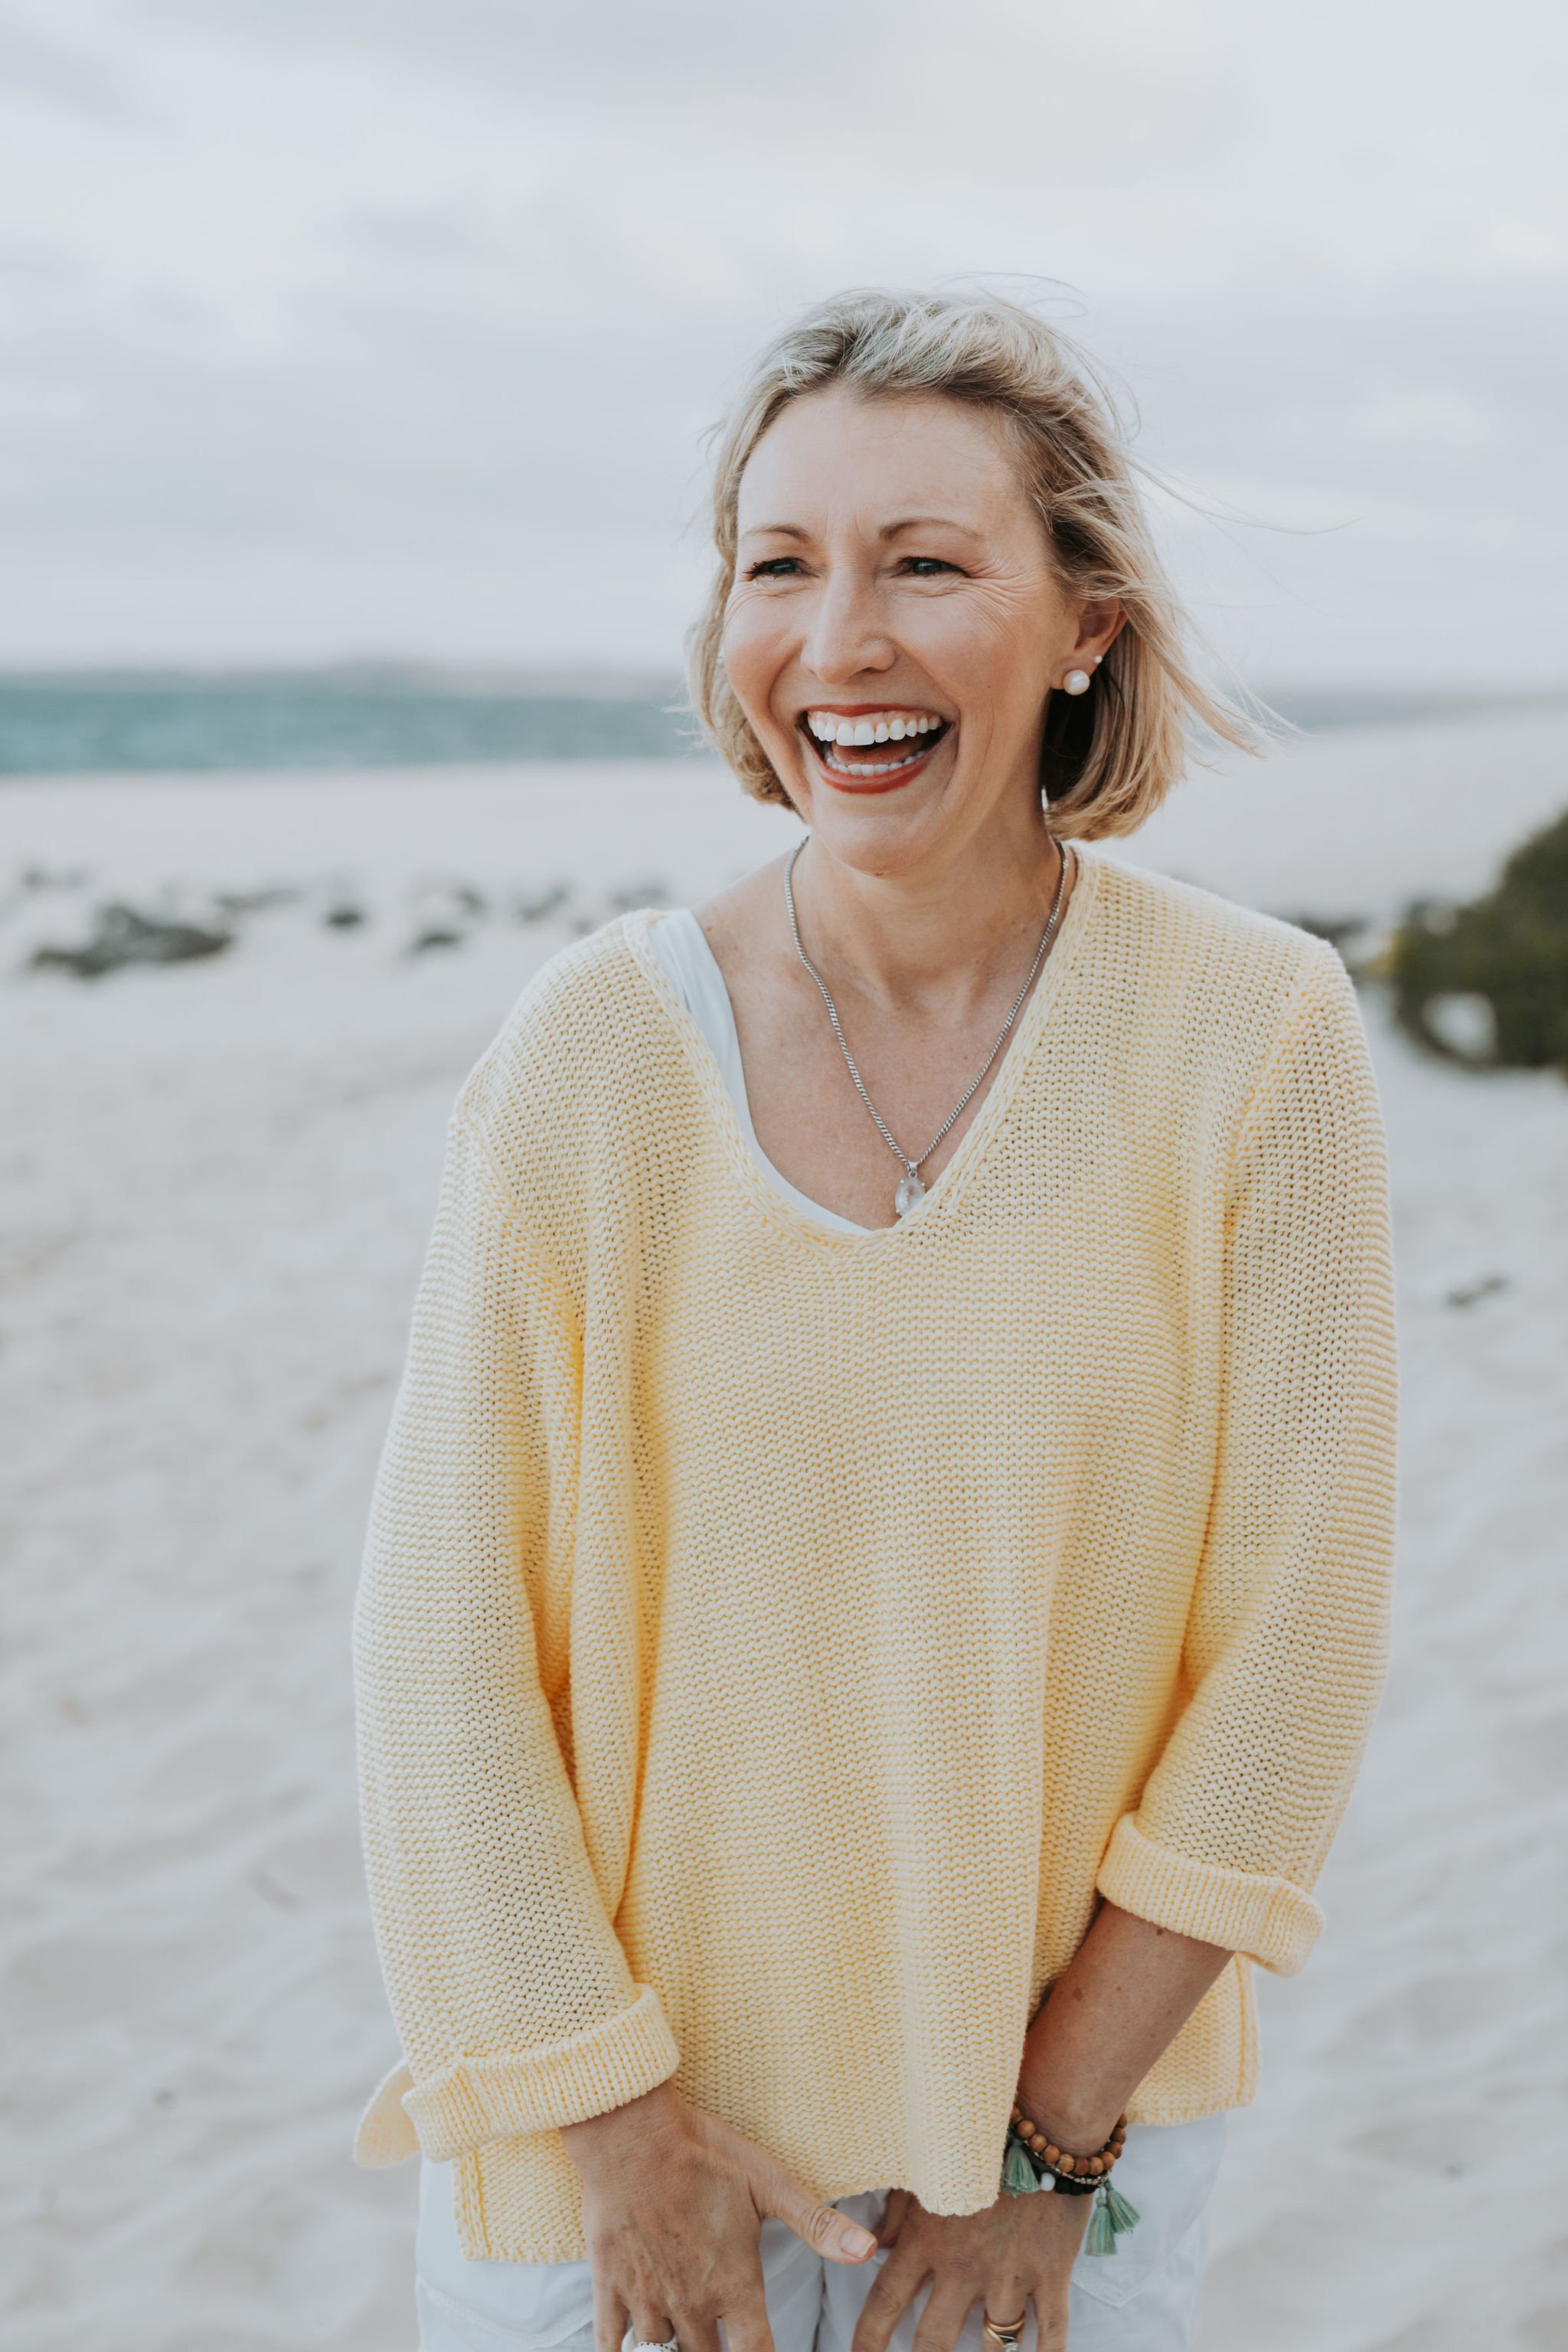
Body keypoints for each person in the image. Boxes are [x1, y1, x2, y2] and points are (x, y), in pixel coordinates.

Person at [352, 288, 1397, 2352]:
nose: (842, 640)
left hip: (1047, 2178)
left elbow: (1296, 1642)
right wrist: (616, 2120)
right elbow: (443, 1654)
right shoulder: (589, 1058)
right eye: (782, 565)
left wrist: (1051, 2154)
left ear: (1085, 616)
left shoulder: (1257, 1038)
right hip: (616, 2169)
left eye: (928, 563)